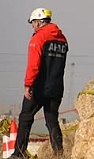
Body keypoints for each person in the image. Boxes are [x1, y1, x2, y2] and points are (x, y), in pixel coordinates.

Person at [9, 9, 68, 159]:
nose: (33, 27)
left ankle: (19, 154)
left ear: (38, 22)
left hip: (39, 87)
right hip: (57, 87)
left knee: (25, 118)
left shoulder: (38, 38)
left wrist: (28, 84)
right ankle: (59, 154)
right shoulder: (62, 39)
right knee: (52, 120)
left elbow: (33, 65)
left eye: (33, 23)